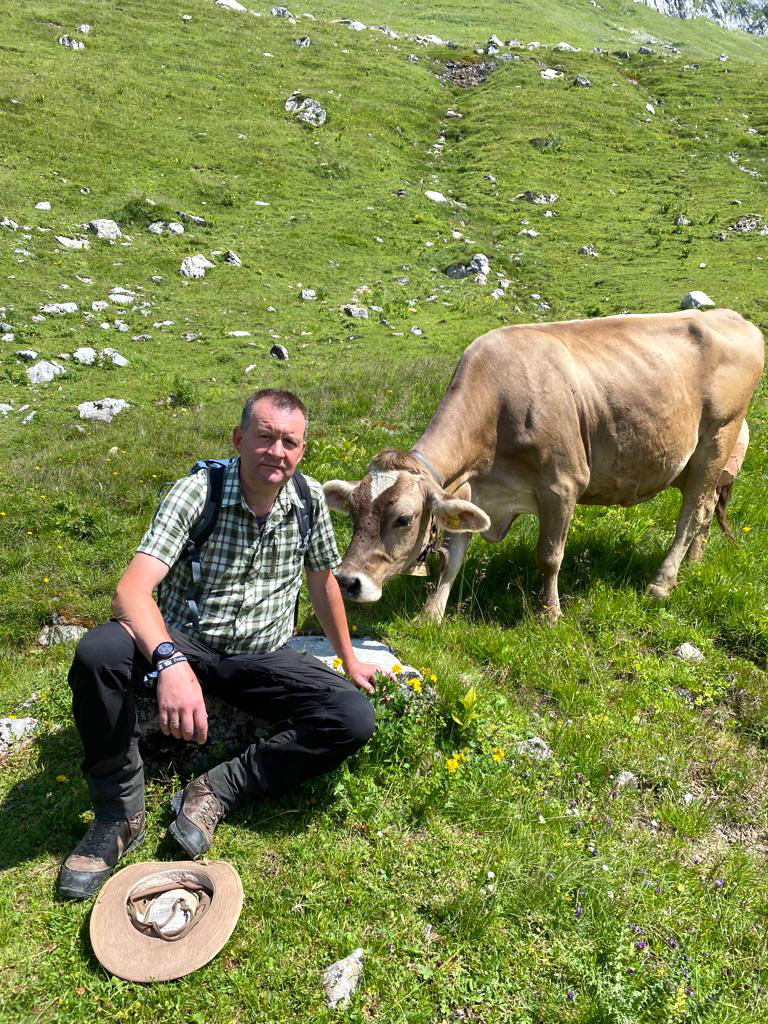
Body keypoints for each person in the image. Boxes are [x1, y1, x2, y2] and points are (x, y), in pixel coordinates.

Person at [59, 389, 382, 900]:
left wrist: (348, 657)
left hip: (263, 655)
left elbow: (322, 581)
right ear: (239, 439)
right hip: (185, 638)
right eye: (265, 437)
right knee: (98, 653)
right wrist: (168, 660)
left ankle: (218, 788)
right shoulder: (197, 492)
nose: (276, 451)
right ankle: (119, 812)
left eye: (289, 442)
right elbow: (131, 591)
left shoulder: (309, 500)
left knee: (352, 716)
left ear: (302, 451)